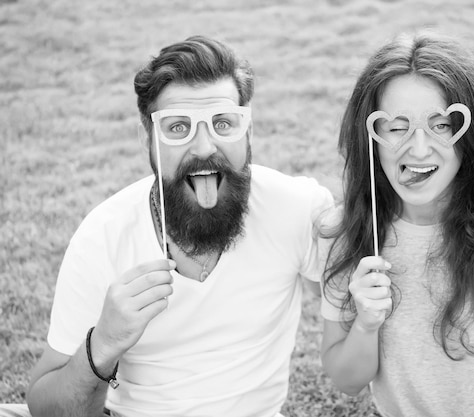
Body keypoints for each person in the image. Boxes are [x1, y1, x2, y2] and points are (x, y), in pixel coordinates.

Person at [18, 36, 333, 417]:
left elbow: (351, 297)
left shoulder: (297, 209)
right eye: (178, 128)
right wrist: (103, 343)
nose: (203, 147)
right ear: (147, 139)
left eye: (223, 124)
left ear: (247, 133)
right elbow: (46, 407)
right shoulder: (103, 235)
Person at [319, 31, 474, 417]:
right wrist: (366, 324)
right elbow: (347, 381)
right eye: (396, 127)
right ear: (369, 136)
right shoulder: (348, 231)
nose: (418, 149)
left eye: (441, 125)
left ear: (472, 136)